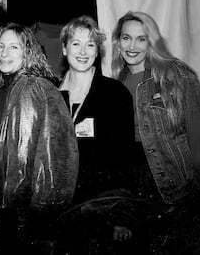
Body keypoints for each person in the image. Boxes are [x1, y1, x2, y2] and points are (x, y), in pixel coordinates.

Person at [111, 11, 200, 253]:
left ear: (152, 41)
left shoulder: (176, 75)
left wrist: (190, 192)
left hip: (172, 180)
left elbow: (199, 140)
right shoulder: (117, 81)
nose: (132, 46)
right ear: (118, 41)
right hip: (133, 184)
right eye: (126, 38)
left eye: (141, 39)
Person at [0, 23, 79, 254]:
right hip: (10, 203)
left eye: (13, 47)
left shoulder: (29, 87)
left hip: (19, 211)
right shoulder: (1, 92)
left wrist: (14, 217)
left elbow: (20, 163)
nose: (4, 53)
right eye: (0, 46)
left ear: (28, 52)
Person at [55, 15, 136, 253]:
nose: (83, 51)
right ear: (64, 48)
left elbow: (125, 159)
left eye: (90, 44)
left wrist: (121, 217)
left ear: (97, 50)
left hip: (103, 210)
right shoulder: (51, 95)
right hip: (61, 210)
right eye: (75, 43)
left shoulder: (114, 94)